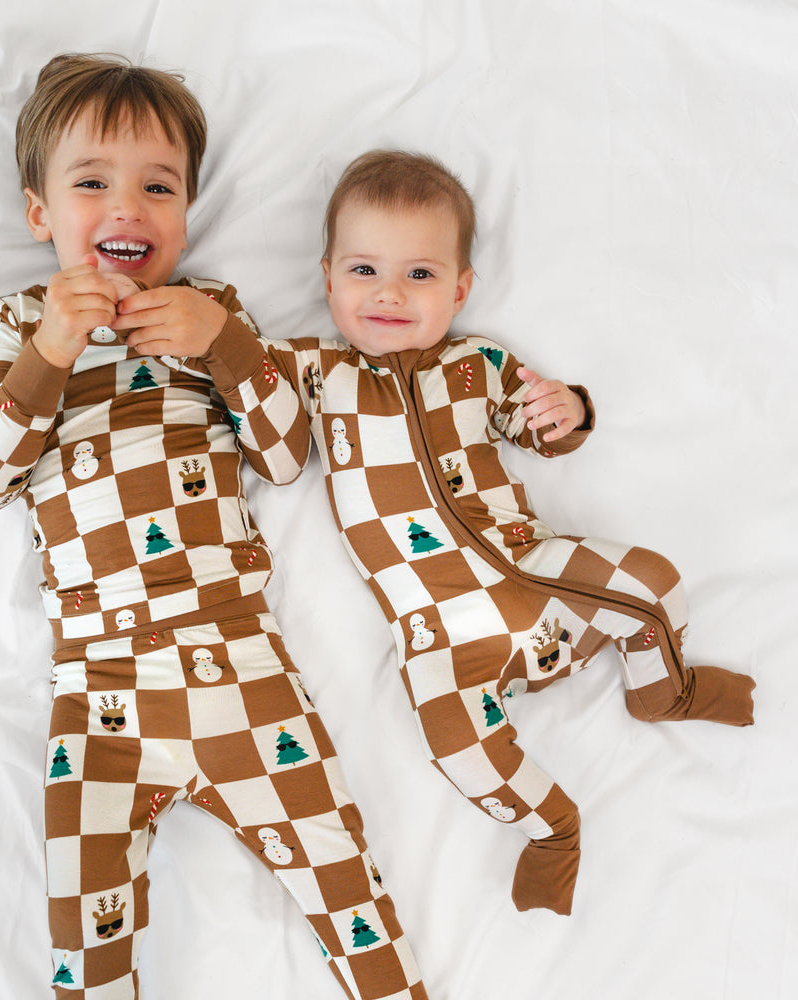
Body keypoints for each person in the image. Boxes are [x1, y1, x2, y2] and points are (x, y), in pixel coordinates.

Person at [0, 58, 427, 1000]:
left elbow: (289, 455)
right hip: (98, 691)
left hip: (239, 661)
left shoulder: (216, 314)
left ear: (186, 209)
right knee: (84, 941)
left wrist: (225, 345)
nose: (127, 207)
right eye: (92, 183)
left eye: (157, 187)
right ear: (39, 214)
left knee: (347, 884)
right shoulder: (16, 322)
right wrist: (52, 350)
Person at [197, 149, 756, 917]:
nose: (390, 292)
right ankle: (552, 828)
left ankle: (664, 691)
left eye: (420, 276)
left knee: (652, 579)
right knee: (453, 740)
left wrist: (570, 412)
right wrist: (227, 347)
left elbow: (540, 430)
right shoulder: (313, 371)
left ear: (460, 289)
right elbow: (276, 442)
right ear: (327, 277)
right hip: (438, 632)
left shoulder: (476, 365)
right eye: (364, 271)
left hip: (536, 571)